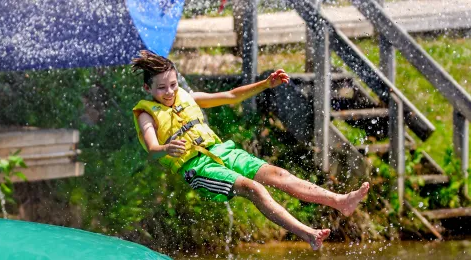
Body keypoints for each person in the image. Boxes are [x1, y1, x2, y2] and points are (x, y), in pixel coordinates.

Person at [131, 50, 369, 250]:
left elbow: (232, 96)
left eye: (173, 84)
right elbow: (152, 149)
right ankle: (308, 234)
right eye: (162, 88)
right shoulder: (146, 115)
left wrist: (266, 84)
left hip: (221, 151)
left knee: (279, 175)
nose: (170, 92)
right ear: (146, 88)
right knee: (254, 188)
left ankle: (340, 201)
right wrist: (166, 148)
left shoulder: (187, 97)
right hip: (197, 168)